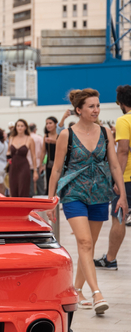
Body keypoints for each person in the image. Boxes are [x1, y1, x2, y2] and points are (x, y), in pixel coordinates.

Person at [48, 88, 128, 315]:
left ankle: (76, 289)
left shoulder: (105, 132)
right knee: (84, 242)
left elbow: (114, 165)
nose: (96, 110)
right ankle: (97, 294)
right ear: (79, 110)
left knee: (89, 245)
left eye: (98, 106)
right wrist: (51, 200)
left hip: (100, 194)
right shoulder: (67, 135)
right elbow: (55, 169)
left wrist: (122, 195)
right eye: (91, 106)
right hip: (74, 193)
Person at [94, 85, 131, 270]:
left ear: (122, 103)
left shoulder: (125, 120)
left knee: (119, 217)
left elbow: (123, 151)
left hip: (128, 178)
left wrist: (118, 180)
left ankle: (110, 259)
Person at [7, 119, 38, 197]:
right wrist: (8, 158)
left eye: (22, 126)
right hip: (13, 166)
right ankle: (14, 208)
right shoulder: (11, 138)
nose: (20, 128)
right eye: (18, 126)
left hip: (24, 166)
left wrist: (35, 171)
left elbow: (33, 156)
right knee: (13, 189)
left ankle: (23, 208)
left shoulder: (29, 139)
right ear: (15, 127)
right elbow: (8, 151)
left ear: (25, 127)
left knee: (23, 188)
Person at [28, 123, 46, 196]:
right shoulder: (39, 138)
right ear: (35, 130)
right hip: (38, 162)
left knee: (29, 183)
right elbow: (43, 150)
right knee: (39, 182)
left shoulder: (27, 138)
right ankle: (41, 195)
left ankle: (31, 196)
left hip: (28, 162)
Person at [44, 117, 59, 193]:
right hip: (49, 163)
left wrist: (54, 141)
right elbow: (43, 151)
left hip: (59, 163)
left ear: (56, 124)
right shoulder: (46, 136)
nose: (48, 125)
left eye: (50, 123)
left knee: (58, 183)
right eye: (47, 123)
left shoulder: (60, 135)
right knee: (49, 183)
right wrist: (41, 165)